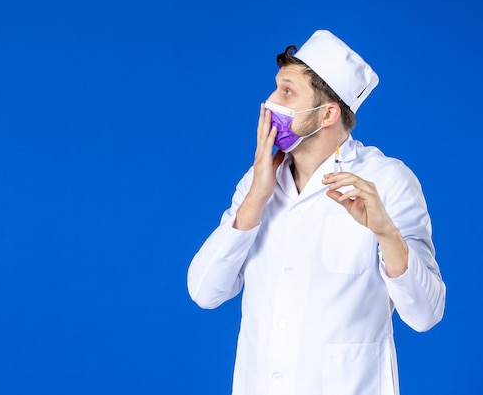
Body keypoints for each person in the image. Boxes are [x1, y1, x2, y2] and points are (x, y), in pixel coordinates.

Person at [187, 29, 446, 395]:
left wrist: (387, 234)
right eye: (276, 87)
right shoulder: (260, 179)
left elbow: (425, 315)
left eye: (287, 92)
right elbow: (204, 291)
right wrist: (257, 197)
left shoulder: (388, 181)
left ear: (327, 113)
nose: (269, 101)